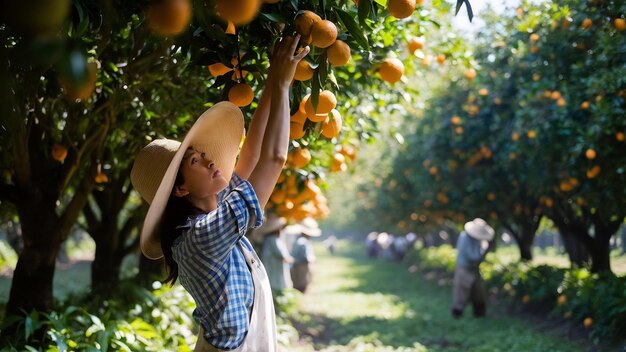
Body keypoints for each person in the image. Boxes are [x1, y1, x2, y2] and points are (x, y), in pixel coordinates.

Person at [130, 35, 309, 352]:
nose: (211, 160)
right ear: (181, 188)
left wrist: (274, 77)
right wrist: (283, 85)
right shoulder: (204, 236)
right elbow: (274, 159)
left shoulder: (211, 219)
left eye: (201, 154)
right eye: (195, 161)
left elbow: (252, 155)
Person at [451, 218, 494, 318]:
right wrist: (485, 252)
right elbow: (473, 256)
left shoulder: (477, 239)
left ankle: (479, 314)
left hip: (473, 268)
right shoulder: (465, 237)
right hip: (464, 268)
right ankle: (457, 313)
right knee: (461, 290)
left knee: (478, 291)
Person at [259, 213, 294, 294]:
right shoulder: (272, 239)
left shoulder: (272, 238)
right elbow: (279, 252)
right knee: (274, 282)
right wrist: (287, 258)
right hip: (273, 264)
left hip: (273, 264)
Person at [288, 217, 321, 293]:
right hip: (302, 267)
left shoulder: (298, 240)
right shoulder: (304, 242)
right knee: (302, 286)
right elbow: (308, 258)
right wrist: (311, 271)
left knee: (297, 285)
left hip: (296, 266)